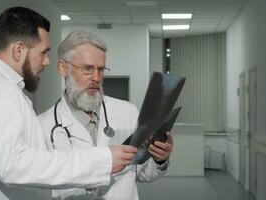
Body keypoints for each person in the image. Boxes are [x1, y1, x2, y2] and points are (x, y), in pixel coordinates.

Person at [0, 7, 137, 200]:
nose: (46, 62)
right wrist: (100, 161)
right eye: (44, 52)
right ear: (19, 50)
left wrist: (92, 174)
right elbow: (12, 165)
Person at [38, 30, 174, 200]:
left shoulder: (127, 112)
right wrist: (95, 169)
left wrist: (159, 159)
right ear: (63, 68)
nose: (96, 77)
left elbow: (142, 173)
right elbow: (43, 187)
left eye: (101, 70)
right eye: (87, 69)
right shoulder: (42, 126)